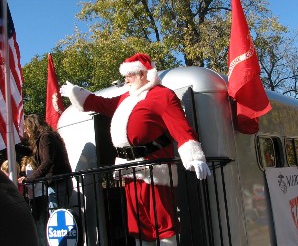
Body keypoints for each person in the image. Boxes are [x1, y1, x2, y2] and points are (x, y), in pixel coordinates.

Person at [60, 52, 210, 245]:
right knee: (139, 225)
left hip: (154, 170)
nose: (126, 79)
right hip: (129, 171)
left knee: (162, 224)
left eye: (130, 75)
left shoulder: (162, 95)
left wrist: (195, 157)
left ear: (143, 74)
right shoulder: (126, 98)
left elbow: (180, 127)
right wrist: (77, 93)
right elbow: (102, 104)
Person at [18, 114, 73, 210]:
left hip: (58, 181)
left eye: (26, 127)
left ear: (33, 126)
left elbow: (47, 161)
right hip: (58, 181)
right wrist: (12, 146)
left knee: (57, 215)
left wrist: (30, 179)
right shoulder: (45, 137)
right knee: (59, 214)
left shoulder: (46, 137)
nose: (25, 131)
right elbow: (30, 151)